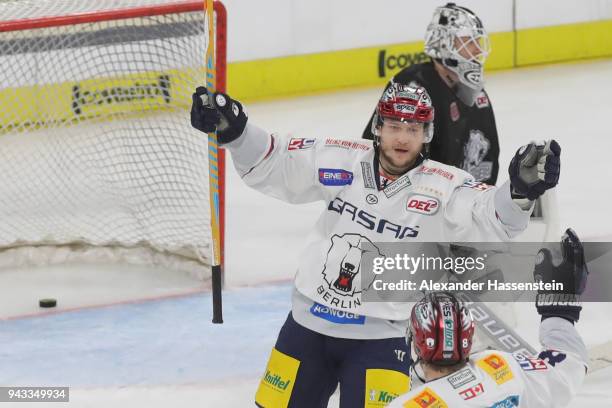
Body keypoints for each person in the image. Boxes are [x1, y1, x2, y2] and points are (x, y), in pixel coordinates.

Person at [190, 82, 561, 407]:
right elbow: (275, 159)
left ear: (427, 133)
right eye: (395, 126)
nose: (402, 138)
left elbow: (491, 218)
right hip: (307, 326)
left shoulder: (446, 185)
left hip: (382, 338)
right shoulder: (340, 159)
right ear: (377, 127)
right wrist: (236, 132)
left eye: (413, 129)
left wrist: (519, 193)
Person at [388, 228, 588, 407]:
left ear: (415, 344)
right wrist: (559, 308)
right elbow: (568, 368)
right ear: (468, 336)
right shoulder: (503, 367)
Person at [363, 3, 499, 185]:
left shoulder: (476, 94)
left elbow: (487, 160)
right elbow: (379, 154)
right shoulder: (411, 88)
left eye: (478, 41)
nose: (477, 49)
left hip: (458, 200)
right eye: (469, 41)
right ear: (444, 43)